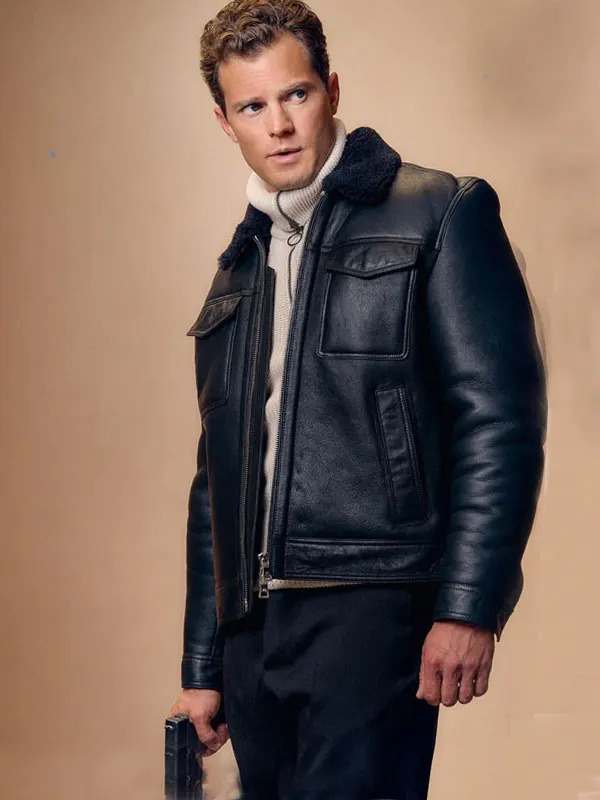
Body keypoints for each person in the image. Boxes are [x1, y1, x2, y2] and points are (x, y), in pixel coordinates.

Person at [169, 1, 547, 797]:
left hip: (373, 608)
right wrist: (204, 664)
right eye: (252, 107)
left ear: (331, 90)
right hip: (253, 632)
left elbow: (499, 423)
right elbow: (216, 482)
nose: (279, 125)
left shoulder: (439, 210)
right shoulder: (238, 269)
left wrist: (469, 604)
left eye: (295, 94)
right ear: (225, 122)